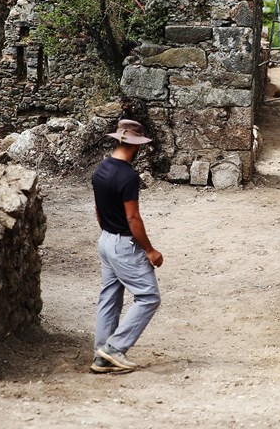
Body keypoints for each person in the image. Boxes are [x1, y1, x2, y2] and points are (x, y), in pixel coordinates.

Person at [90, 119, 163, 374]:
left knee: (109, 297)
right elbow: (133, 218)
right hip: (123, 243)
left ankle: (101, 353)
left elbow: (99, 210)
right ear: (136, 146)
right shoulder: (127, 176)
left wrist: (108, 234)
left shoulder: (100, 170)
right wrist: (150, 250)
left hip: (106, 239)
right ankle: (114, 349)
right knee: (149, 297)